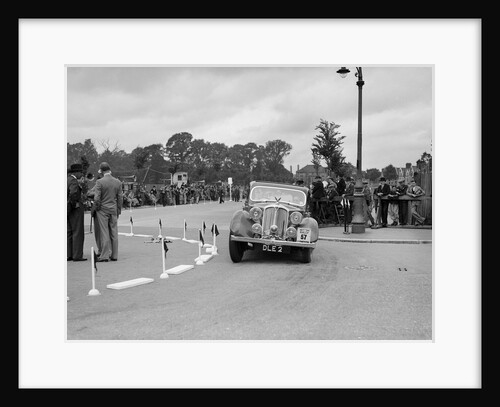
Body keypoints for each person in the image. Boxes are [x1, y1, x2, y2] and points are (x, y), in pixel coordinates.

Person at [93, 162, 123, 262]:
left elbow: (97, 198)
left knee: (104, 232)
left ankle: (104, 255)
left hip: (103, 209)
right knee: (114, 232)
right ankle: (114, 255)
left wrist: (97, 208)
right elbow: (120, 198)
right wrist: (118, 210)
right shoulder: (118, 182)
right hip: (113, 209)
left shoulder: (99, 182)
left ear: (101, 171)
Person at [67, 163, 87, 261]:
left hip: (68, 209)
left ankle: (69, 254)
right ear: (77, 172)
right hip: (75, 209)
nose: (82, 174)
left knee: (69, 232)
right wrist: (75, 204)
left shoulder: (67, 179)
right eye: (81, 172)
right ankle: (77, 255)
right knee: (77, 232)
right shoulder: (74, 181)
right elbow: (73, 193)